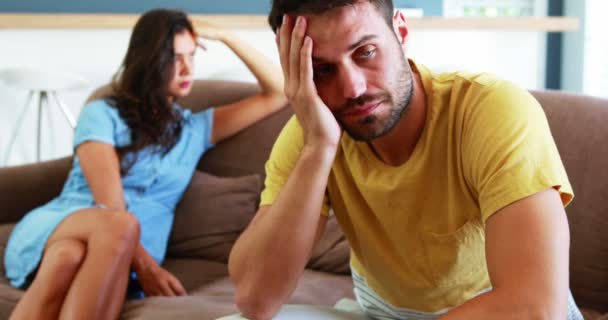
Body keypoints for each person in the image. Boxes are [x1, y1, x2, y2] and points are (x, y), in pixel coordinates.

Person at [227, 0, 584, 319]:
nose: (353, 89)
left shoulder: (490, 109)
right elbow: (255, 301)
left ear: (400, 31)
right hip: (382, 311)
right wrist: (318, 148)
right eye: (323, 70)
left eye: (365, 52)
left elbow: (534, 307)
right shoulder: (313, 130)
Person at [4, 8, 286, 320]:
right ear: (149, 59)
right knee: (114, 227)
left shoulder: (195, 130)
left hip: (114, 254)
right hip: (64, 224)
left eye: (191, 56)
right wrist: (148, 267)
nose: (186, 68)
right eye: (174, 58)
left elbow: (279, 93)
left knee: (67, 257)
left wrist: (225, 36)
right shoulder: (102, 114)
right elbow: (110, 207)